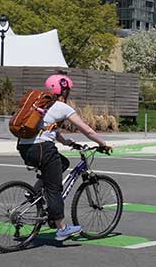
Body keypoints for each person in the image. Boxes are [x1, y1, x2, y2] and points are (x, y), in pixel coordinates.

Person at [16, 74, 113, 241]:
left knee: (62, 163)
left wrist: (66, 142)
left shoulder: (41, 104)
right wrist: (103, 143)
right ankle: (62, 228)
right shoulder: (61, 107)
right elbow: (87, 130)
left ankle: (35, 192)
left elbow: (48, 127)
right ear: (63, 90)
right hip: (43, 149)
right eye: (67, 90)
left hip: (25, 148)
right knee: (54, 189)